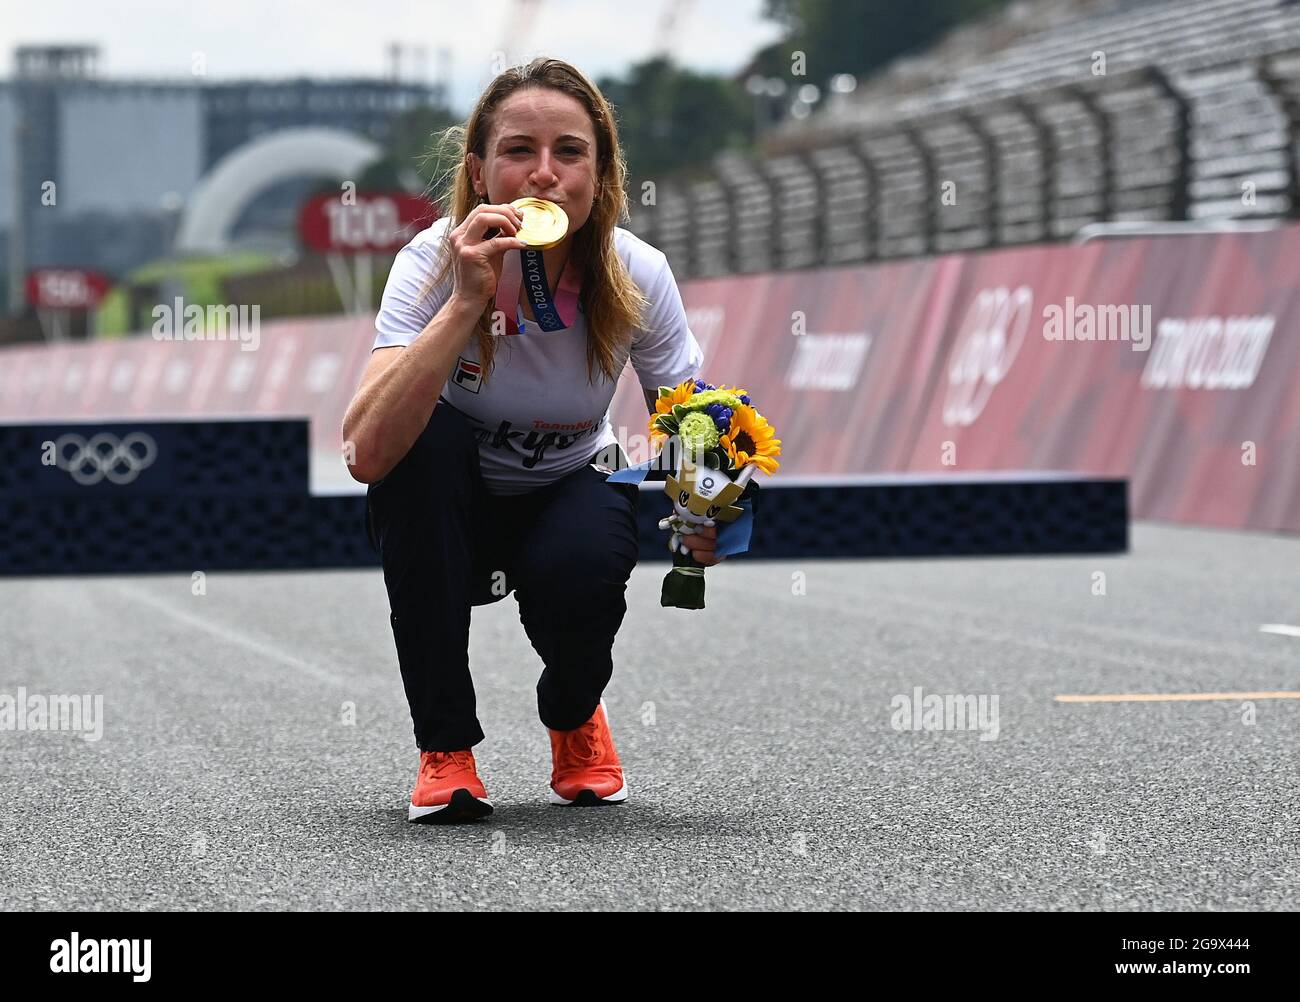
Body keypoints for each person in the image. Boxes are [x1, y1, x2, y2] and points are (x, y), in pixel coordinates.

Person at [342, 57, 726, 824]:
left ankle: (574, 711)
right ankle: (445, 749)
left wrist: (706, 514)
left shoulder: (637, 271)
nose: (543, 175)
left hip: (565, 483)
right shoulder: (430, 261)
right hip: (449, 502)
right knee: (423, 454)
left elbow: (687, 410)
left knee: (587, 567)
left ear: (600, 173)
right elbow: (366, 454)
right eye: (519, 151)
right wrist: (464, 303)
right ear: (481, 172)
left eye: (569, 153)